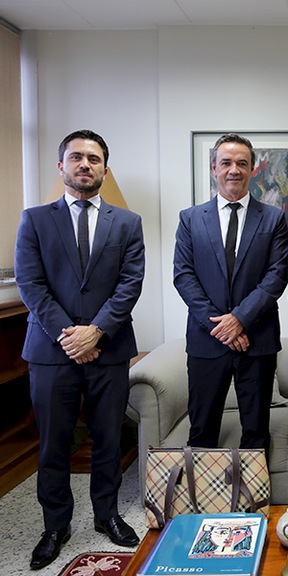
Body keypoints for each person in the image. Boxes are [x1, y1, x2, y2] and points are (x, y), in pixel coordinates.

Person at [15, 130, 145, 569]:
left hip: (108, 351)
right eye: (76, 157)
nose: (85, 164)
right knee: (54, 442)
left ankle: (107, 515)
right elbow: (31, 285)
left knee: (109, 439)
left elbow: (130, 284)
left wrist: (97, 332)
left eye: (93, 158)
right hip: (52, 352)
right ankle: (55, 525)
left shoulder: (127, 223)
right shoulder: (34, 219)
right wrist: (70, 335)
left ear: (105, 169)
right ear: (61, 167)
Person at [173, 133, 288, 453]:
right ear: (214, 168)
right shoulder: (191, 218)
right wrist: (220, 327)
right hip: (206, 342)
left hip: (257, 339)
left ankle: (254, 505)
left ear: (253, 170)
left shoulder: (274, 219)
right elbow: (183, 276)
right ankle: (203, 504)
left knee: (255, 433)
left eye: (242, 163)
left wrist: (239, 319)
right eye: (226, 163)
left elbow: (276, 277)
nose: (233, 170)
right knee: (202, 431)